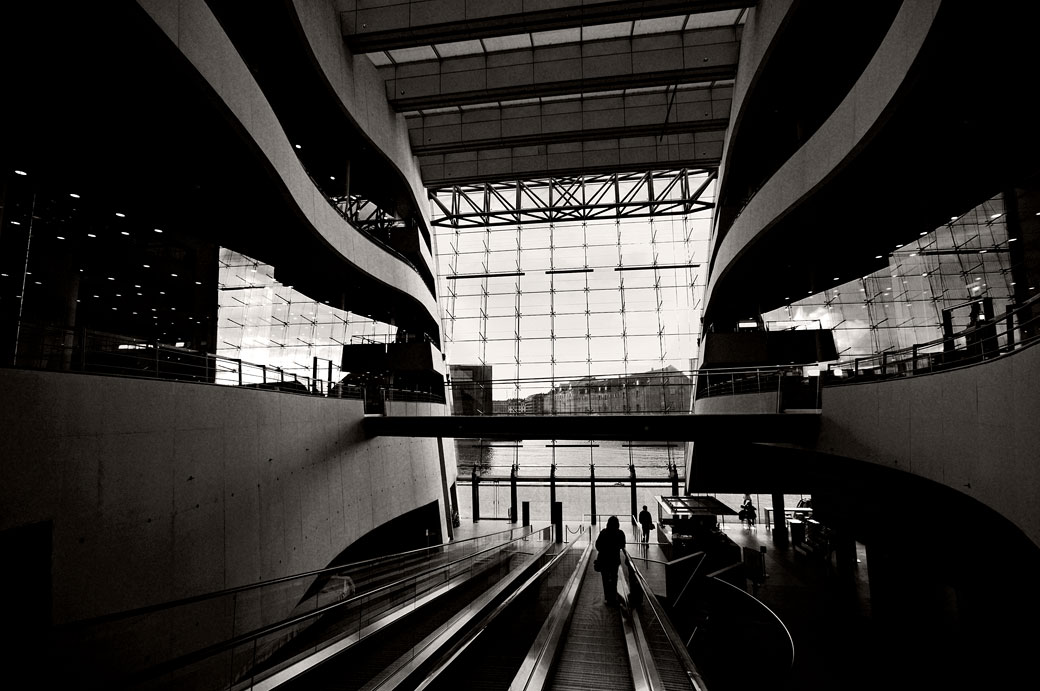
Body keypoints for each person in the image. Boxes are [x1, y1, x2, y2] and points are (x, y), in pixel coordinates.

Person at [595, 515, 626, 605]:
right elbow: (622, 545)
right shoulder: (620, 533)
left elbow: (597, 545)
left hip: (603, 560)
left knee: (605, 578)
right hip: (614, 560)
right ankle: (613, 597)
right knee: (613, 578)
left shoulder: (603, 533)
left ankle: (608, 598)